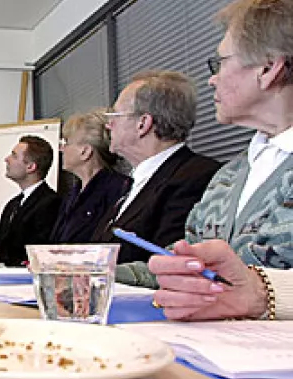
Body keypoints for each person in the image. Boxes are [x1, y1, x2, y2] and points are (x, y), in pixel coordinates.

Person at [132, 0, 293, 321]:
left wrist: (261, 293)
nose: (211, 80)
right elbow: (187, 263)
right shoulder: (227, 175)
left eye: (219, 63)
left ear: (268, 69)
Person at [89, 70, 222, 264]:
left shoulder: (196, 178)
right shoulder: (132, 182)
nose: (108, 125)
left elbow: (165, 261)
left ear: (143, 124)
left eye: (115, 115)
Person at [50, 109, 132, 243]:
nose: (61, 149)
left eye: (66, 143)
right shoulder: (72, 194)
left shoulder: (118, 189)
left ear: (85, 151)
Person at [0, 135, 60, 267]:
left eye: (14, 156)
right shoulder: (12, 204)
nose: (6, 159)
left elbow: (38, 255)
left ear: (30, 167)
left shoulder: (51, 204)